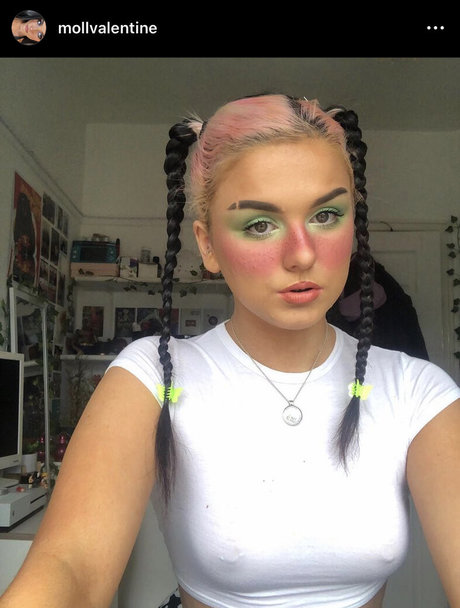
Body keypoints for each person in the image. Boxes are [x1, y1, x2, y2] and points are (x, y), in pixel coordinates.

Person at [1, 93, 459, 608]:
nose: (302, 253)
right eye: (260, 224)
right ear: (208, 245)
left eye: (327, 214)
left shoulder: (416, 390)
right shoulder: (153, 375)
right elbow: (71, 565)